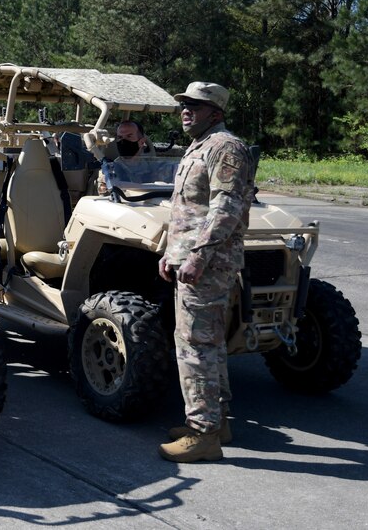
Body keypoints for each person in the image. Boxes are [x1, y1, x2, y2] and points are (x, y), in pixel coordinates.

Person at [156, 81, 252, 463]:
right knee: (207, 344)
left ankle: (203, 434)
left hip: (208, 265)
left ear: (216, 112)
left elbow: (225, 210)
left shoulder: (225, 148)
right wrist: (171, 251)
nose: (186, 110)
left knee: (195, 346)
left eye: (195, 106)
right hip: (192, 260)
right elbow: (186, 211)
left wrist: (197, 257)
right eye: (184, 104)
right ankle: (216, 422)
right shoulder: (200, 146)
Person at [98, 120, 155, 194]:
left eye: (129, 136)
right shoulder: (110, 170)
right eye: (120, 137)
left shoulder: (154, 168)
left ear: (142, 142)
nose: (123, 141)